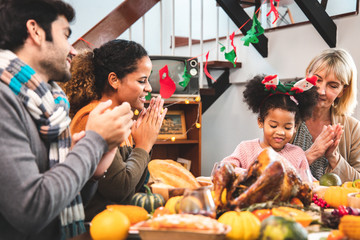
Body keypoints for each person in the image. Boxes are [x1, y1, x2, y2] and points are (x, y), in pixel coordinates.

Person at [0, 0, 134, 239]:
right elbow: (30, 211)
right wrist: (94, 142)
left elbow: (61, 206)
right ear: (36, 31)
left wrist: (93, 172)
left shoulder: (48, 105)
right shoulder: (4, 99)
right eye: (65, 35)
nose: (73, 50)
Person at [62, 39, 167, 221]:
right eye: (142, 80)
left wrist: (142, 143)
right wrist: (143, 145)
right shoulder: (91, 117)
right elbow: (119, 189)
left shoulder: (119, 118)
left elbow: (134, 187)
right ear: (114, 80)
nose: (149, 88)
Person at [221, 75, 318, 176]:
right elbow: (223, 168)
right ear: (260, 122)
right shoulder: (246, 149)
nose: (280, 132)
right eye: (273, 126)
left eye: (287, 127)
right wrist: (251, 173)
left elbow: (309, 183)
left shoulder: (297, 154)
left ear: (295, 127)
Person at [292, 48, 360, 182]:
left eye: (333, 86)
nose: (321, 91)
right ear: (307, 76)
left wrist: (334, 157)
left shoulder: (353, 128)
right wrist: (310, 155)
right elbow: (268, 170)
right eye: (317, 80)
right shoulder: (287, 114)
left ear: (342, 91)